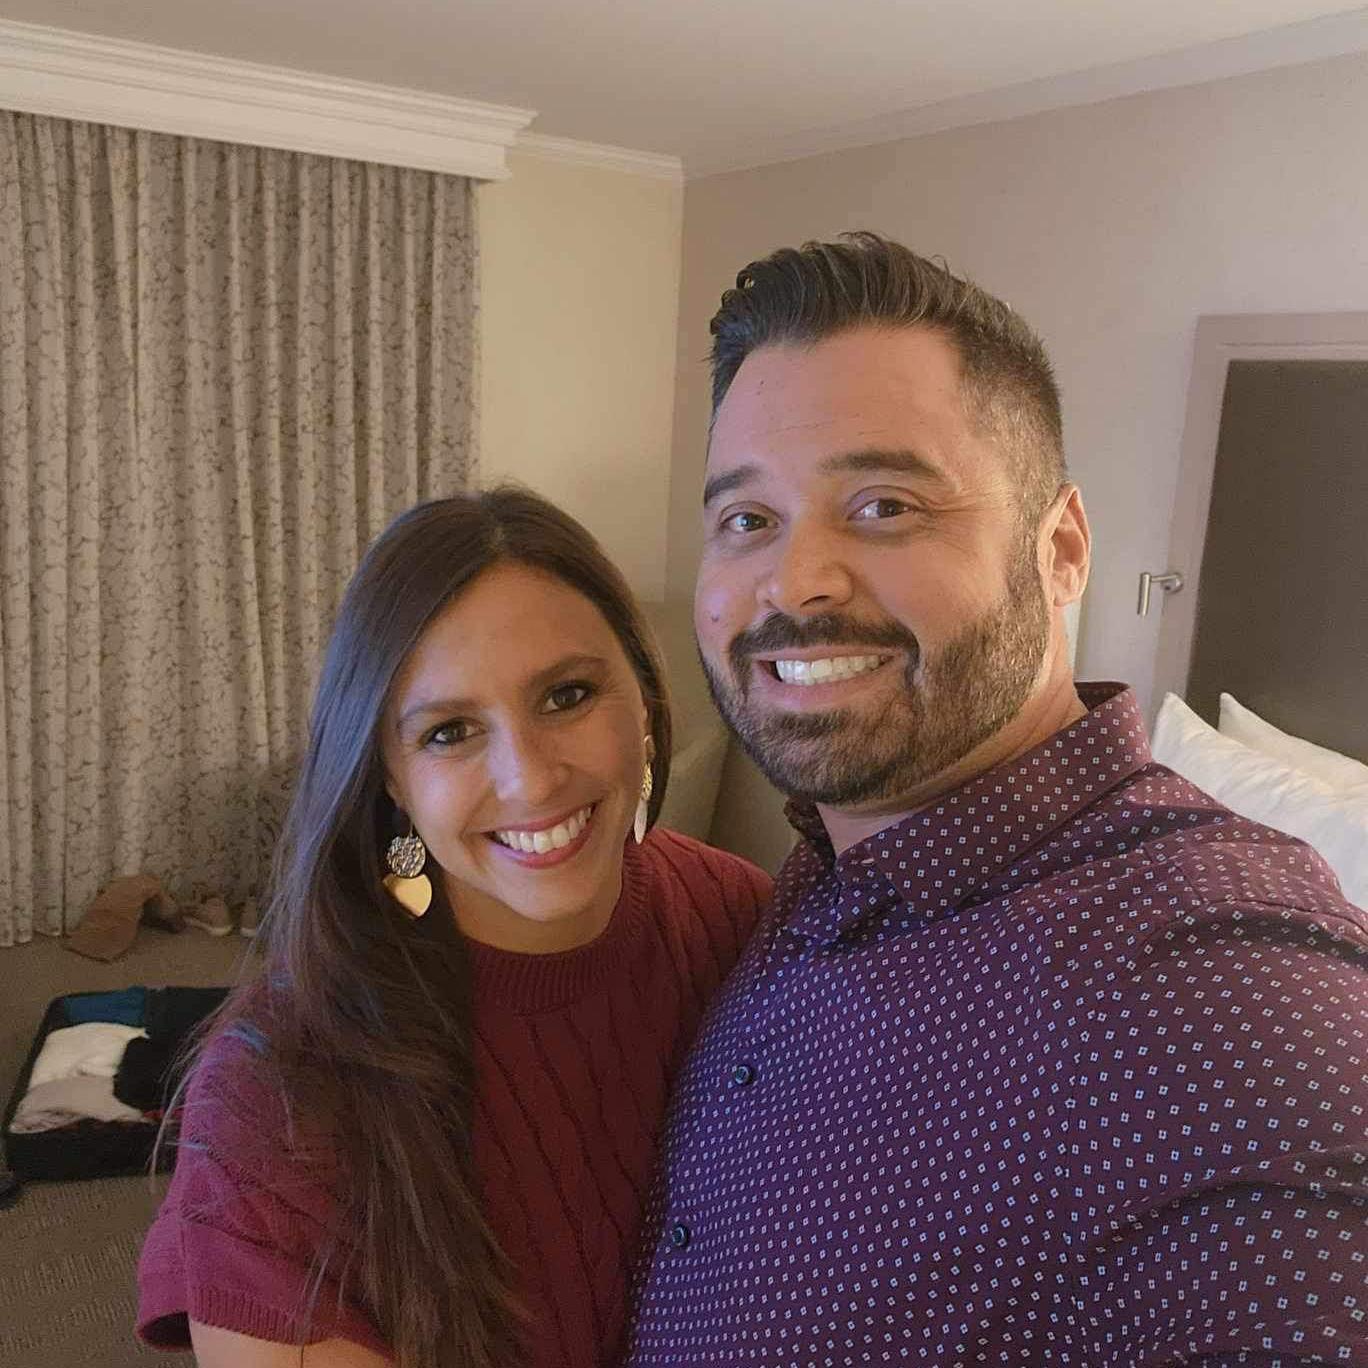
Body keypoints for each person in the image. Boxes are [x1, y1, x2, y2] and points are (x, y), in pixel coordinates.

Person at [626, 233, 1368, 1365]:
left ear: (1060, 548)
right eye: (747, 520)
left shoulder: (1217, 984)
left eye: (883, 504)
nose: (793, 581)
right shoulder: (819, 881)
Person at [135, 488, 772, 1368]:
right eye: (449, 732)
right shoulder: (277, 1090)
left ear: (643, 697)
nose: (530, 779)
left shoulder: (743, 921)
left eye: (568, 694)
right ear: (391, 779)